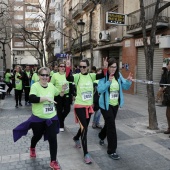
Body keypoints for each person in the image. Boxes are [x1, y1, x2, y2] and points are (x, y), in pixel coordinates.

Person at [13, 67, 67, 170]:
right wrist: (45, 98)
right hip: (38, 118)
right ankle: (32, 147)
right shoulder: (35, 86)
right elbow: (31, 98)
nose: (45, 77)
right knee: (37, 136)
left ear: (49, 77)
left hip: (51, 117)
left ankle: (53, 161)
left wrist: (63, 91)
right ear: (39, 76)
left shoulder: (51, 86)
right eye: (42, 75)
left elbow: (58, 96)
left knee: (53, 138)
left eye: (47, 75)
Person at [66, 56, 108, 164]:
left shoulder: (92, 76)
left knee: (83, 127)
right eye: (80, 66)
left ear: (88, 67)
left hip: (89, 107)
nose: (82, 68)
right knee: (85, 128)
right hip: (79, 106)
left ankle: (76, 137)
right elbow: (68, 78)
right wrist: (68, 67)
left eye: (84, 67)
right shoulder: (77, 76)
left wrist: (105, 67)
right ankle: (86, 154)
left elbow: (103, 75)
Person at [98, 57, 132, 160]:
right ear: (107, 67)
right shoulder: (103, 76)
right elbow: (100, 89)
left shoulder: (118, 75)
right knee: (112, 126)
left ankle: (101, 136)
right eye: (111, 67)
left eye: (115, 67)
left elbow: (125, 87)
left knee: (109, 123)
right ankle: (112, 151)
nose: (113, 69)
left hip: (115, 105)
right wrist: (108, 81)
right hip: (105, 105)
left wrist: (129, 81)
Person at [50, 62, 73, 132]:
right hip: (58, 95)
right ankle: (61, 125)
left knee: (67, 110)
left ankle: (60, 119)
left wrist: (73, 94)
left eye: (64, 66)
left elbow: (72, 84)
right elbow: (51, 85)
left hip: (66, 95)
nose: (63, 67)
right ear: (58, 67)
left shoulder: (67, 74)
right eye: (61, 66)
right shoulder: (54, 75)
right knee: (59, 110)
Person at [160, 61, 170, 134]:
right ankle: (169, 128)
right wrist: (164, 72)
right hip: (168, 96)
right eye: (168, 64)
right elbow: (162, 83)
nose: (168, 65)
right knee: (167, 114)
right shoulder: (166, 72)